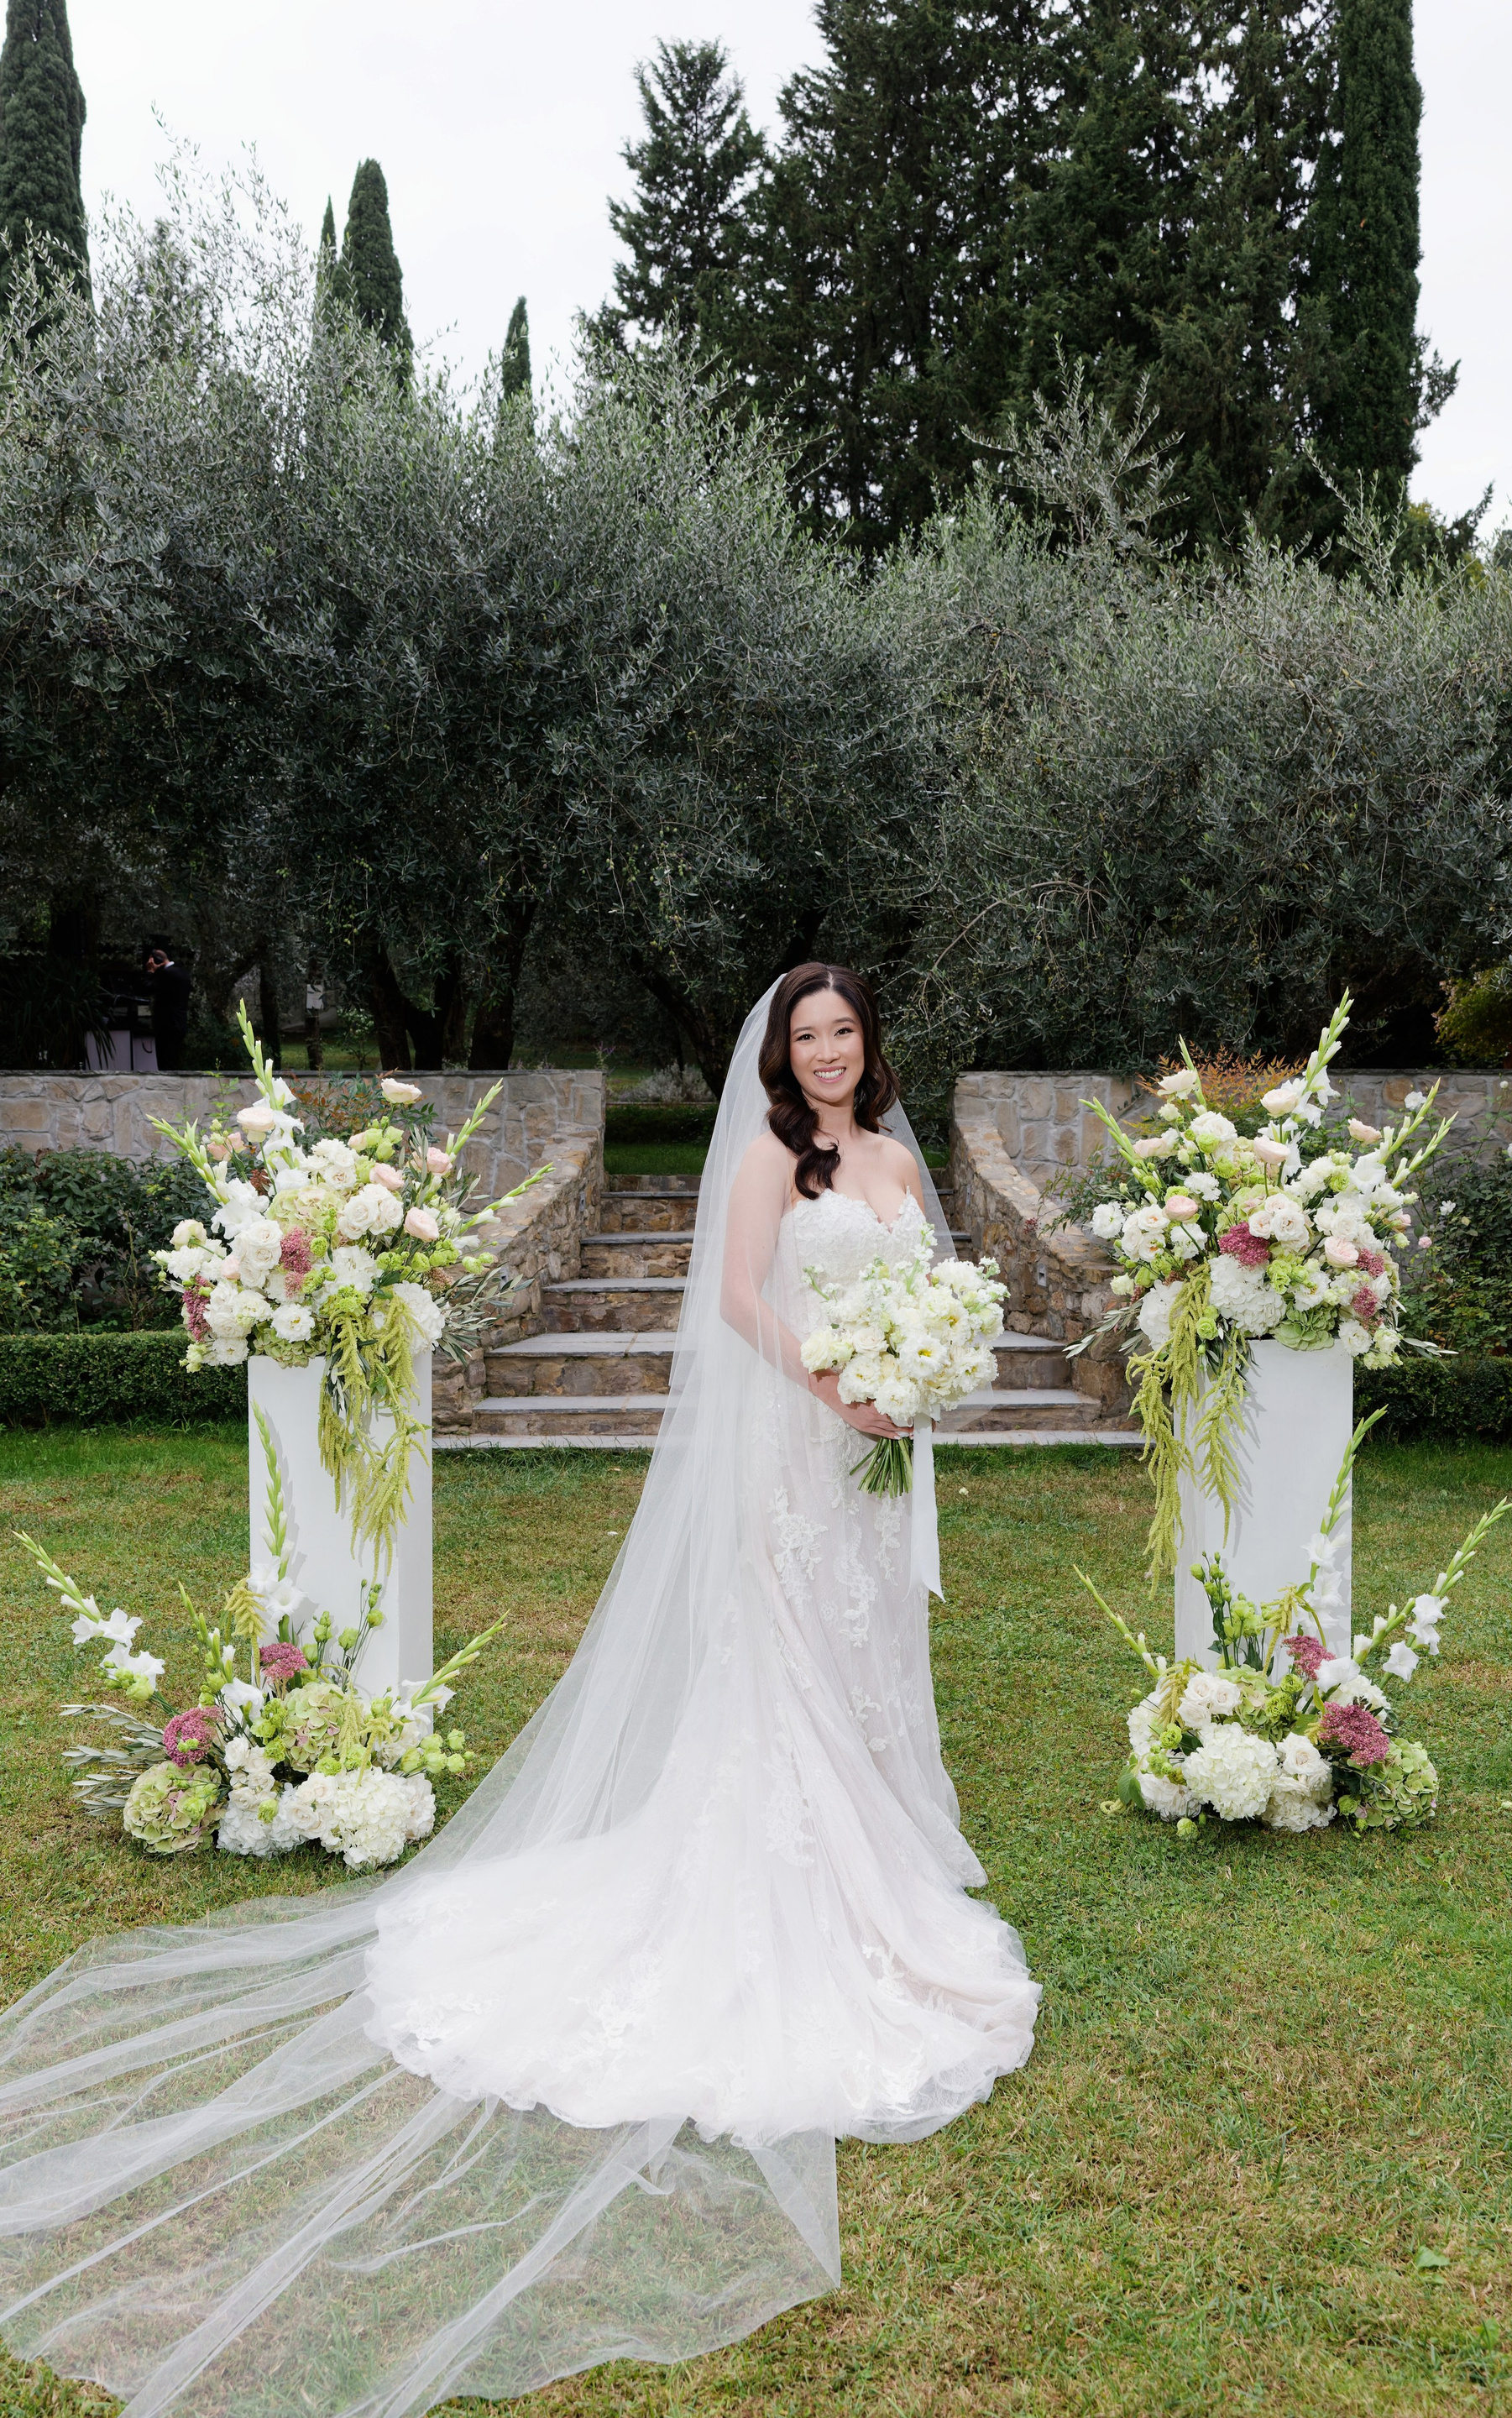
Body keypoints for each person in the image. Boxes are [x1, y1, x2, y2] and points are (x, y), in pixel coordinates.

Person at [0, 966, 1038, 2417]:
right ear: (783, 1055)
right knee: (789, 1668)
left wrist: (919, 1381)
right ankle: (806, 1885)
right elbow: (739, 1304)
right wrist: (836, 1388)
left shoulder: (897, 1164)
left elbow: (932, 1297)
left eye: (842, 1033)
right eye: (805, 1036)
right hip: (796, 1452)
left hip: (873, 1458)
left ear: (871, 1045)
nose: (824, 1053)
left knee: (864, 1662)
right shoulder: (764, 1159)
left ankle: (880, 1859)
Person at [142, 941, 191, 1070]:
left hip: (166, 1025)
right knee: (174, 1062)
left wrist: (150, 971)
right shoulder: (183, 973)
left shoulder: (167, 974)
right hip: (180, 1023)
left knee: (165, 1065)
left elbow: (146, 989)